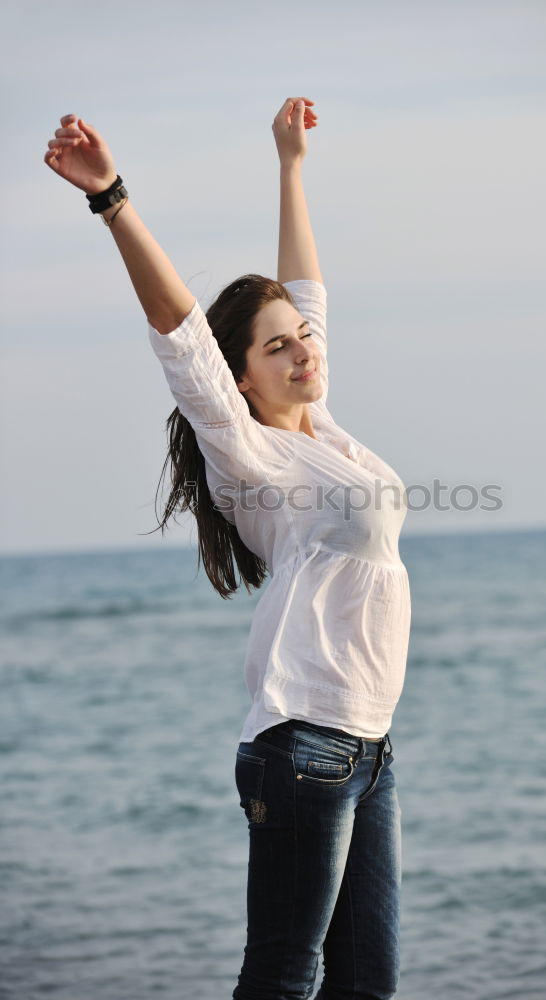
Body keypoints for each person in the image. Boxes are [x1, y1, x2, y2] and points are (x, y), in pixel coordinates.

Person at [44, 96, 411, 1000]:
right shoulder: (249, 454)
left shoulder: (323, 427)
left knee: (368, 985)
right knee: (285, 975)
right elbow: (182, 340)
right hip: (304, 746)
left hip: (367, 749)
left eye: (304, 342)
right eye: (277, 349)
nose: (302, 353)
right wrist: (112, 198)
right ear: (241, 377)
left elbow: (306, 290)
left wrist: (290, 165)